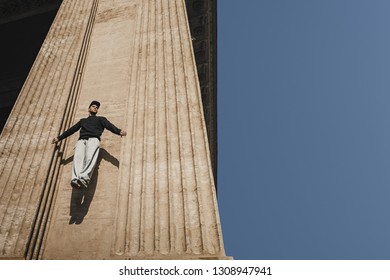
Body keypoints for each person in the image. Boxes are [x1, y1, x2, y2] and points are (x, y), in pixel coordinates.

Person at [52, 101, 127, 189]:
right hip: (81, 141)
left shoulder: (101, 119)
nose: (95, 108)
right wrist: (59, 138)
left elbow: (109, 126)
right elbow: (72, 130)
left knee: (89, 158)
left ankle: (84, 178)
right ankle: (75, 179)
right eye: (93, 106)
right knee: (77, 159)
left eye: (96, 107)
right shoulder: (83, 121)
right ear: (89, 109)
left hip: (93, 140)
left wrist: (119, 131)